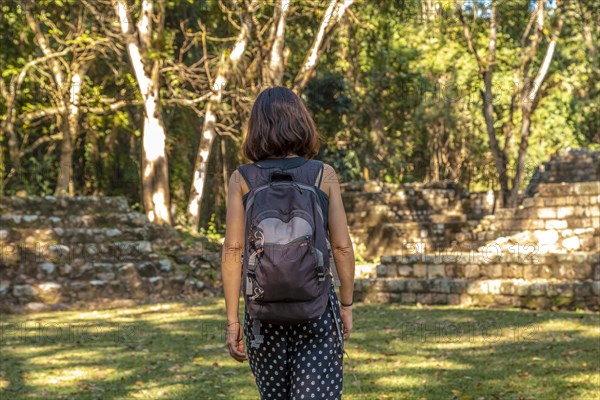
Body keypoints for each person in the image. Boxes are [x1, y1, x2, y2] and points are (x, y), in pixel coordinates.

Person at [221, 86, 355, 399]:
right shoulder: (324, 175)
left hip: (262, 314)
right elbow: (342, 248)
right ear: (302, 122)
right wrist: (346, 305)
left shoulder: (241, 179)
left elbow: (233, 251)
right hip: (318, 308)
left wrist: (232, 321)